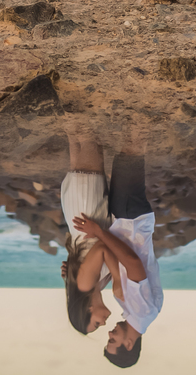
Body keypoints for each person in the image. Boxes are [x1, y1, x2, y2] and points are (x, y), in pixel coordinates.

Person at [73, 145, 162, 368]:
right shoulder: (142, 312)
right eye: (113, 340)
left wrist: (78, 272)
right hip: (131, 221)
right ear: (129, 344)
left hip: (125, 222)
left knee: (126, 156)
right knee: (130, 152)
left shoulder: (133, 311)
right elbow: (132, 263)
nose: (110, 332)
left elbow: (114, 264)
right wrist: (99, 232)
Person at [60, 131, 114, 334]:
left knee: (88, 138)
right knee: (78, 140)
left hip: (87, 208)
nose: (104, 323)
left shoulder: (85, 284)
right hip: (83, 211)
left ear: (88, 310)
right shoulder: (96, 285)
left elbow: (101, 247)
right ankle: (72, 107)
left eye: (97, 324)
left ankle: (76, 104)